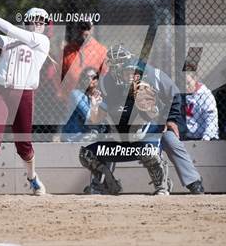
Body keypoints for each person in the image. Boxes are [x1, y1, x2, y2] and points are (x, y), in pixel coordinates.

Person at [79, 45, 205, 195]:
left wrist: (170, 119)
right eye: (114, 65)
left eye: (120, 64)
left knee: (169, 138)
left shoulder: (151, 74)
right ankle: (102, 184)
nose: (117, 69)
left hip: (152, 124)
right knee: (105, 140)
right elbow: (103, 111)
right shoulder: (108, 81)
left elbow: (175, 95)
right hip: (124, 127)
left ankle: (193, 182)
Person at [0, 3, 50, 201]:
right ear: (27, 22)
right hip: (0, 90)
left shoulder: (42, 41)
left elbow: (10, 29)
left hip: (23, 93)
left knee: (24, 145)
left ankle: (32, 177)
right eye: (35, 21)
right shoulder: (13, 40)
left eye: (42, 22)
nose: (38, 24)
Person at [58, 21, 108, 102]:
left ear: (92, 29)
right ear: (76, 29)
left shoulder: (101, 51)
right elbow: (58, 76)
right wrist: (61, 96)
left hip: (93, 100)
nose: (84, 31)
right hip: (69, 101)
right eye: (81, 27)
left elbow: (106, 78)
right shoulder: (67, 51)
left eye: (87, 28)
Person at [61, 67, 108, 142]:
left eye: (93, 77)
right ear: (82, 80)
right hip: (73, 137)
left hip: (88, 135)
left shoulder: (99, 97)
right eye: (86, 77)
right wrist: (95, 106)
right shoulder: (76, 94)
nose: (89, 79)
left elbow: (106, 117)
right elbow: (89, 117)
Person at [184, 66, 219, 140]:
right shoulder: (183, 96)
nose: (185, 87)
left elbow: (211, 118)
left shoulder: (206, 95)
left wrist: (207, 136)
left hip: (205, 137)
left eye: (188, 83)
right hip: (187, 136)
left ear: (195, 79)